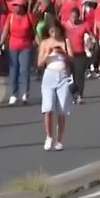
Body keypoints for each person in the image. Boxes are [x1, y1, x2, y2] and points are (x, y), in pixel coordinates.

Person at [38, 22, 74, 151]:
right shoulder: (44, 43)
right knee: (48, 108)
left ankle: (59, 140)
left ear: (59, 30)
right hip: (49, 75)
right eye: (51, 31)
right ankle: (49, 136)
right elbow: (39, 63)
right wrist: (47, 53)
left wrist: (63, 53)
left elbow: (72, 59)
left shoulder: (65, 41)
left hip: (63, 76)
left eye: (56, 31)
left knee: (62, 109)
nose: (54, 34)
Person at [2, 0, 35, 105]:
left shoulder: (29, 16)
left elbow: (34, 31)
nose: (15, 7)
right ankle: (14, 94)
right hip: (13, 46)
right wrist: (1, 43)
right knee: (14, 70)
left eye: (17, 5)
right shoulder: (10, 17)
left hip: (26, 45)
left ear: (22, 7)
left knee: (24, 70)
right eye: (14, 5)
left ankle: (25, 93)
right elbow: (6, 30)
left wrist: (39, 43)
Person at [64, 7, 89, 103]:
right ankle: (73, 93)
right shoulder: (64, 26)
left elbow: (90, 36)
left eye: (75, 17)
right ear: (69, 16)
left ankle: (80, 95)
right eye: (72, 17)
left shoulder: (84, 25)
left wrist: (90, 42)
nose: (74, 19)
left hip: (80, 54)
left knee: (79, 75)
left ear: (78, 17)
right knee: (70, 76)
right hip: (68, 54)